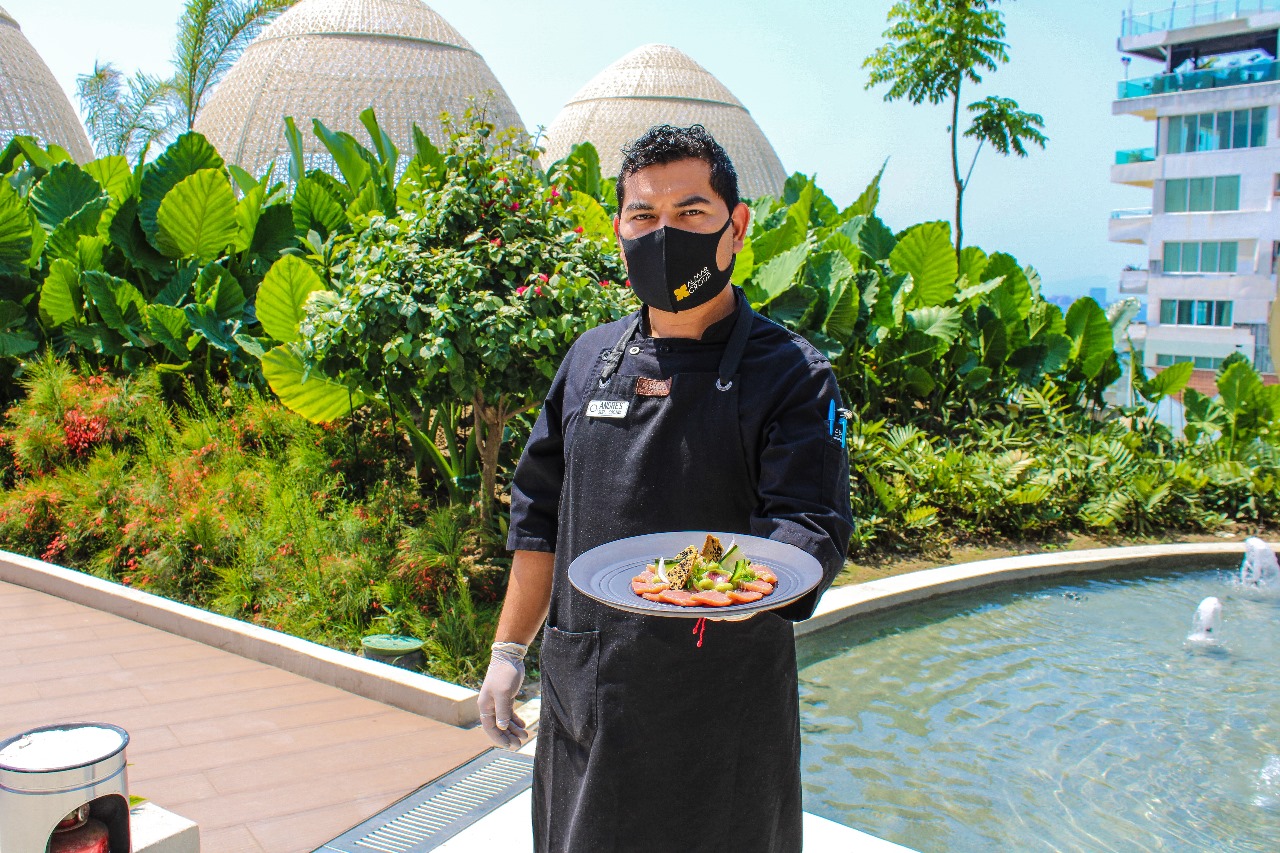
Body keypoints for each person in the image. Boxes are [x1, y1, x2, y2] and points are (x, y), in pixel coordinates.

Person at [477, 124, 853, 853]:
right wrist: (508, 651)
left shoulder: (791, 375)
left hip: (722, 712)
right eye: (643, 216)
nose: (663, 234)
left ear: (737, 226)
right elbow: (539, 515)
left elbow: (808, 523)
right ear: (618, 228)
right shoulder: (589, 359)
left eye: (690, 213)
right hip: (590, 694)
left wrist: (713, 585)